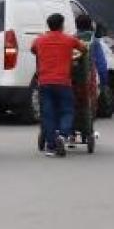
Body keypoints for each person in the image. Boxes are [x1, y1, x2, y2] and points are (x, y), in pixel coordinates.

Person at [31, 13, 87, 157]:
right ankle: (62, 135)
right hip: (63, 83)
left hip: (44, 82)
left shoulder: (39, 40)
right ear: (62, 25)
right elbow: (84, 49)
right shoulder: (69, 40)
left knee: (48, 114)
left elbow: (33, 50)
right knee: (67, 111)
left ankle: (51, 145)